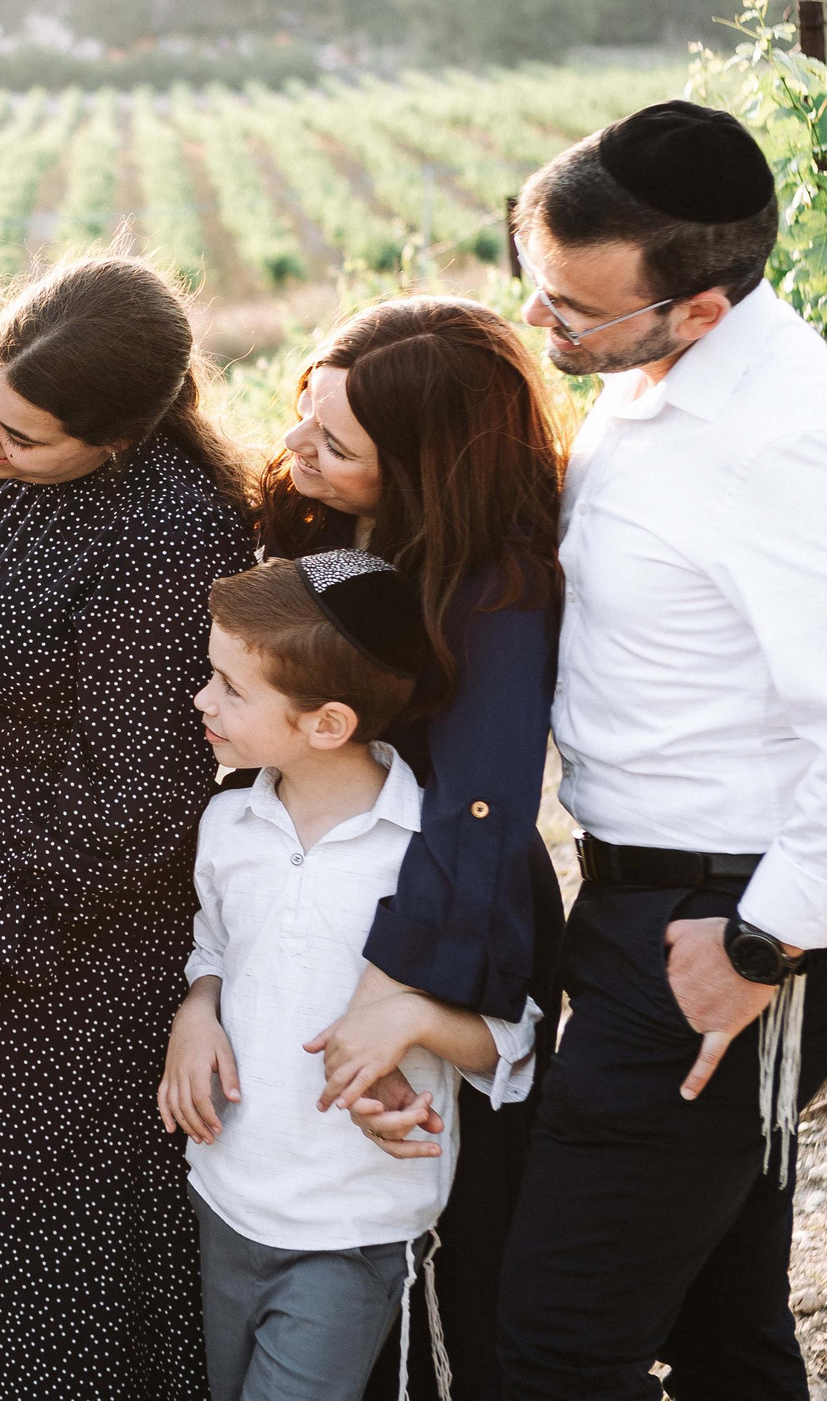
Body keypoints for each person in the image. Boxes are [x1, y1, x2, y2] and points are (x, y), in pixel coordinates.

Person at [493, 101, 827, 1394]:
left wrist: (759, 941)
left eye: (573, 309)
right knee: (721, 1330)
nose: (545, 325)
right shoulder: (662, 378)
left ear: (698, 307)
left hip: (730, 935)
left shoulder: (789, 441)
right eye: (534, 286)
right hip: (655, 906)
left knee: (552, 1338)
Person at [0, 254, 255, 1401]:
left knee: (46, 1280)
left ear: (122, 439)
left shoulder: (169, 533)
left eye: (23, 437)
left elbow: (146, 792)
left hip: (73, 967)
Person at [250, 298, 568, 1401]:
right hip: (309, 886)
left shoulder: (497, 587)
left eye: (334, 445)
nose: (294, 450)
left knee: (445, 1233)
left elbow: (478, 809)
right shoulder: (314, 523)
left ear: (427, 472)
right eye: (304, 413)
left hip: (447, 908)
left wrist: (395, 995)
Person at [161, 553, 536, 1401]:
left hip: (351, 1230)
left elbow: (515, 1046)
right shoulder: (228, 822)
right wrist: (198, 1003)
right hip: (223, 1197)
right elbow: (215, 946)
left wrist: (410, 1021)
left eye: (228, 686)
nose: (201, 701)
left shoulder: (430, 858)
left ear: (326, 723)